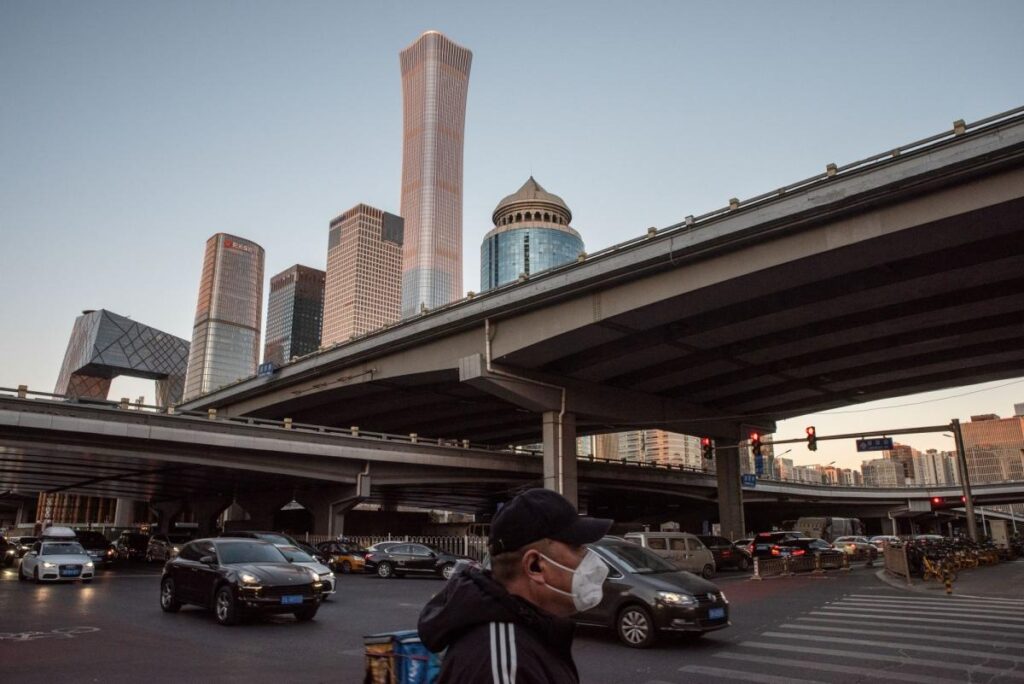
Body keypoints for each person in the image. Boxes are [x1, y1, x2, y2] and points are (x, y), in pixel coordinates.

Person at [418, 488, 612, 683]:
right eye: (577, 546)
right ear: (535, 565)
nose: (590, 558)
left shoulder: (532, 633)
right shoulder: (502, 667)